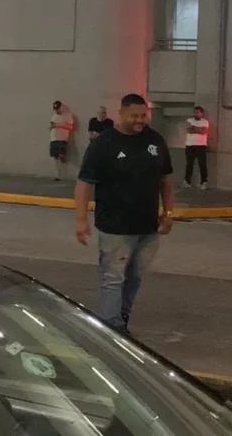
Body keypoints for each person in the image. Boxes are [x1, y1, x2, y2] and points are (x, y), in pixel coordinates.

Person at [73, 94, 174, 335]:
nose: (140, 121)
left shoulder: (155, 140)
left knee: (135, 277)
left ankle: (122, 319)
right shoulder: (104, 143)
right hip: (115, 228)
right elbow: (84, 183)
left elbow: (167, 179)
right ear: (121, 114)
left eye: (143, 116)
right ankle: (113, 328)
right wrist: (80, 220)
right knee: (113, 278)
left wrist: (168, 212)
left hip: (148, 228)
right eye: (134, 116)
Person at [184, 106, 210, 189]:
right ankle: (187, 181)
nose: (196, 114)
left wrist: (193, 128)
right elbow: (188, 130)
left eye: (198, 112)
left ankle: (204, 182)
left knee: (202, 164)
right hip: (189, 145)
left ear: (202, 113)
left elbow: (203, 132)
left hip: (201, 146)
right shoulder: (189, 120)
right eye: (195, 112)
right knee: (189, 164)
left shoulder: (205, 122)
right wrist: (198, 129)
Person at [49, 100, 75, 180]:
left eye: (58, 109)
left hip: (62, 138)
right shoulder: (53, 116)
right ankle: (57, 176)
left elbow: (71, 127)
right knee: (55, 157)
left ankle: (63, 157)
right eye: (55, 109)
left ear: (61, 107)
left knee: (61, 155)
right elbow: (51, 126)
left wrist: (57, 125)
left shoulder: (68, 115)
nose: (57, 111)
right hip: (54, 138)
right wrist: (51, 126)